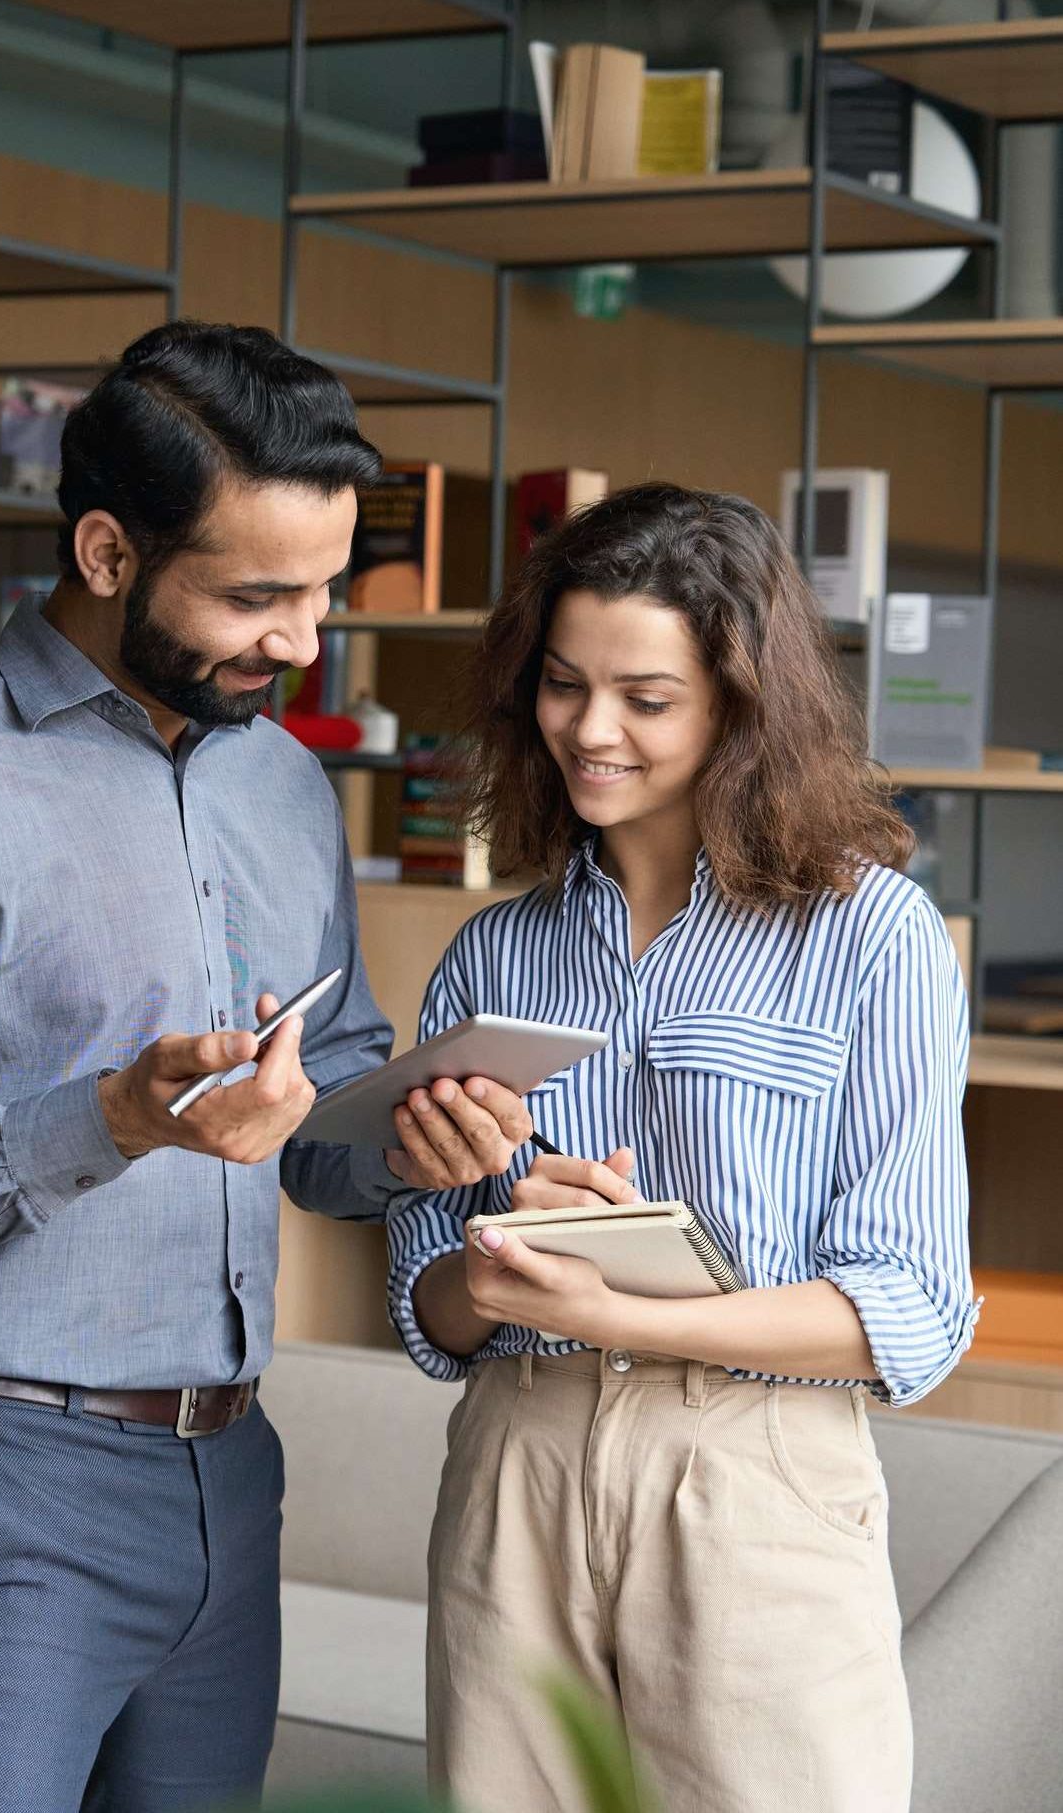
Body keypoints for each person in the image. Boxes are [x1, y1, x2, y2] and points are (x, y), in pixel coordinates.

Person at [0, 320, 530, 1813]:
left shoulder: (284, 786)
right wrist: (103, 1117)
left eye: (322, 591)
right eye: (255, 595)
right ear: (106, 550)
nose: (302, 640)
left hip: (225, 1474)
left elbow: (317, 1115)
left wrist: (419, 1130)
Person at [387, 483, 976, 1813]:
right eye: (561, 684)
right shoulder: (496, 949)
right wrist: (483, 1269)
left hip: (750, 1470)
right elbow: (425, 1295)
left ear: (738, 702)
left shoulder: (869, 937)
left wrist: (624, 1307)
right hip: (516, 1465)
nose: (589, 730)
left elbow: (909, 1309)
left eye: (644, 698)